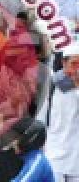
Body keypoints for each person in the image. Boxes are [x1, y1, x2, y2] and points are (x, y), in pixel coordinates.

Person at [44, 44, 79, 180]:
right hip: (55, 156)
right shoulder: (53, 83)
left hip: (76, 160)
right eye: (74, 63)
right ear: (64, 62)